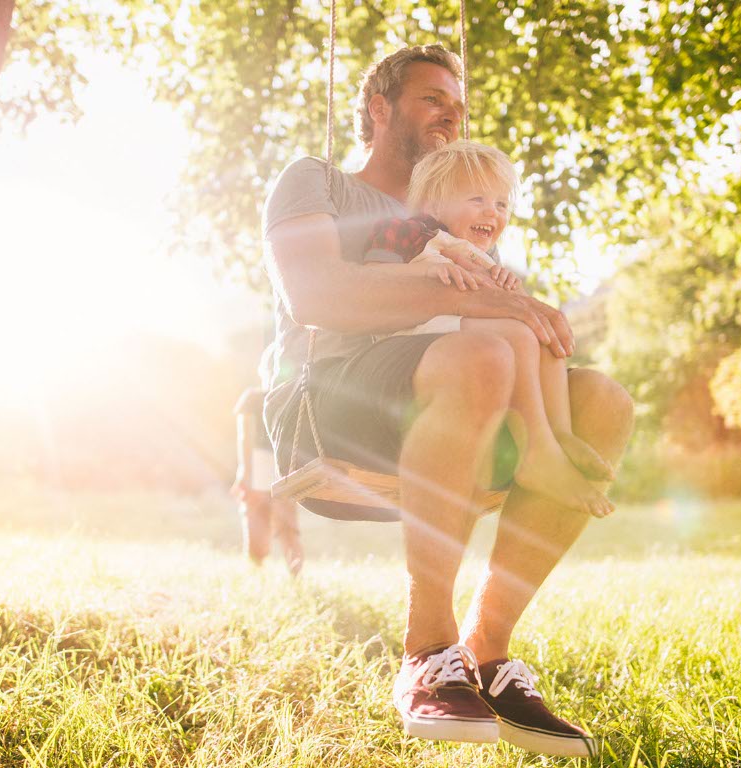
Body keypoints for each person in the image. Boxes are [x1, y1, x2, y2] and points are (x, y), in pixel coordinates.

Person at [261, 45, 634, 757]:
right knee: (484, 350)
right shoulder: (319, 182)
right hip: (335, 399)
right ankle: (427, 649)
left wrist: (519, 310)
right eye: (433, 97)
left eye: (456, 103)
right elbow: (315, 294)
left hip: (457, 389)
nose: (450, 112)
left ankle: (487, 654)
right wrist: (492, 304)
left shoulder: (456, 211)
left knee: (606, 402)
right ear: (379, 108)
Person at [362, 139, 615, 515]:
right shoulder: (408, 232)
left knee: (538, 330)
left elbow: (494, 305)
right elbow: (373, 280)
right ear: (433, 204)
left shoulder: (477, 255)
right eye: (477, 199)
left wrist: (506, 286)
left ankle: (558, 434)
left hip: (458, 329)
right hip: (414, 334)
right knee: (515, 333)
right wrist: (428, 272)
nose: (492, 212)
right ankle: (536, 453)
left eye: (500, 204)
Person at [232, 386, 304, 577]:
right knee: (288, 529)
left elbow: (244, 437)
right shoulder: (293, 392)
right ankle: (296, 578)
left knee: (256, 522)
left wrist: (244, 472)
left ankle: (257, 575)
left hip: (260, 462)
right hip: (285, 463)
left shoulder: (252, 397)